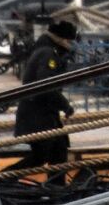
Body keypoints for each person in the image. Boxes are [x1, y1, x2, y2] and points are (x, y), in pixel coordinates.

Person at [11, 19, 78, 178]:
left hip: (45, 116)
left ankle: (58, 192)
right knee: (40, 156)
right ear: (61, 39)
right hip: (37, 117)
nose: (70, 45)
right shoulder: (48, 54)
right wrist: (65, 106)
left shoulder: (46, 51)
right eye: (69, 41)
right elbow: (47, 84)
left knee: (59, 151)